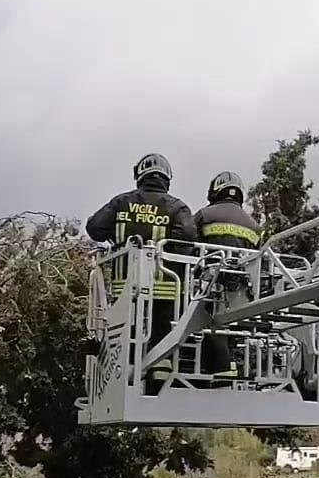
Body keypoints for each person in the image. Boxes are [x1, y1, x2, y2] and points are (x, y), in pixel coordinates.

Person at [85, 153, 197, 383]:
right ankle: (159, 372)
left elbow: (95, 228)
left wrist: (118, 235)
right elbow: (187, 237)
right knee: (161, 332)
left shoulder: (121, 203)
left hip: (126, 287)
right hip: (165, 289)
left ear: (140, 176)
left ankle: (125, 370)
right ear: (167, 178)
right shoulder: (177, 207)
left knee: (126, 332)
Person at [193, 171, 262, 385]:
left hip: (207, 286)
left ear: (215, 190)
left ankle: (221, 369)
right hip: (240, 291)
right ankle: (228, 366)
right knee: (228, 329)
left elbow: (187, 246)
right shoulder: (254, 226)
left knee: (209, 327)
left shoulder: (204, 215)